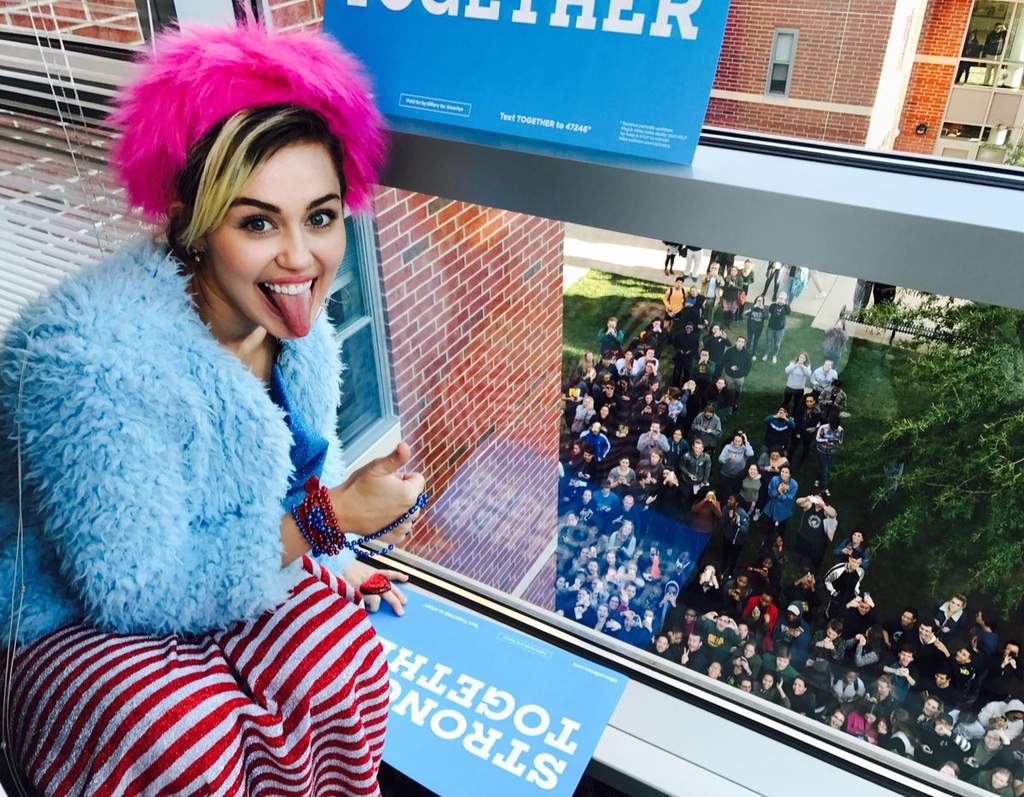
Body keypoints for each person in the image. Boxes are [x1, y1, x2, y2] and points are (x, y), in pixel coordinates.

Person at [0, 23, 428, 796]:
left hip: (218, 569)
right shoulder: (88, 358)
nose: (301, 258)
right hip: (64, 609)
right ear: (192, 225)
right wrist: (333, 518)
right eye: (257, 221)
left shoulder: (298, 329)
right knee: (184, 741)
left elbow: (300, 477)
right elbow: (130, 589)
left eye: (321, 216)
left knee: (345, 661)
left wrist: (337, 554)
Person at [794, 490, 838, 571]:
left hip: (817, 541)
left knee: (814, 560)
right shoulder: (809, 504)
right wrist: (807, 498)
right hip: (804, 536)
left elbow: (833, 514)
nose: (817, 500)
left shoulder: (826, 509)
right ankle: (798, 567)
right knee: (800, 555)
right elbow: (798, 502)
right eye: (816, 497)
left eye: (819, 498)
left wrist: (823, 505)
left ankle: (811, 571)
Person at [719, 494, 751, 577]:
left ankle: (731, 573)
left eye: (731, 500)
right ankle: (722, 571)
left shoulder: (742, 514)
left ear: (736, 503)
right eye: (729, 499)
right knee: (725, 555)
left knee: (734, 558)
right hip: (727, 537)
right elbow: (722, 521)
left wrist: (734, 521)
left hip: (738, 541)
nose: (728, 501)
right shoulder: (725, 509)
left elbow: (745, 530)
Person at [763, 465, 799, 538]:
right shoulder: (774, 479)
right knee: (770, 525)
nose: (784, 474)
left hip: (785, 508)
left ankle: (779, 538)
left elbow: (788, 498)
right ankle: (768, 537)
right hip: (773, 506)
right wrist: (778, 491)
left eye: (786, 472)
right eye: (782, 471)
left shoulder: (794, 484)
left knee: (782, 526)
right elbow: (770, 493)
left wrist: (780, 493)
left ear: (789, 475)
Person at [719, 336, 752, 407]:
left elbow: (748, 366)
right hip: (729, 375)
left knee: (738, 390)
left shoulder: (746, 354)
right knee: (728, 389)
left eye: (742, 342)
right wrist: (730, 367)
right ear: (736, 342)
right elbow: (724, 361)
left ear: (744, 344)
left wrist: (744, 374)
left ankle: (735, 402)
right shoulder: (729, 351)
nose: (740, 343)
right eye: (739, 341)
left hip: (740, 377)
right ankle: (727, 402)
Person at [814, 414, 844, 488]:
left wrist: (836, 442)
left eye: (835, 428)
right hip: (822, 450)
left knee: (823, 467)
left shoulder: (840, 430)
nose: (834, 429)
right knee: (825, 469)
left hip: (831, 451)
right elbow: (817, 439)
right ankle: (823, 486)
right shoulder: (823, 428)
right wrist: (826, 440)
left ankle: (817, 479)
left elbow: (841, 441)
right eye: (833, 427)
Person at [764, 292, 790, 364]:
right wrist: (776, 303)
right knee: (768, 341)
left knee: (777, 344)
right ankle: (766, 354)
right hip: (771, 327)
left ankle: (774, 355)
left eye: (783, 298)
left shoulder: (786, 307)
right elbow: (770, 311)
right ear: (778, 298)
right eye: (780, 298)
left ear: (785, 300)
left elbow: (788, 312)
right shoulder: (773, 305)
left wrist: (785, 304)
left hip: (780, 329)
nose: (781, 300)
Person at [745, 296, 768, 361]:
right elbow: (745, 313)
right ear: (756, 301)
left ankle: (754, 354)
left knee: (756, 341)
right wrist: (753, 307)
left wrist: (762, 310)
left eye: (761, 301)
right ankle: (746, 352)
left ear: (763, 302)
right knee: (749, 340)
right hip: (750, 327)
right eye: (758, 300)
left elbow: (766, 317)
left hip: (759, 328)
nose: (759, 302)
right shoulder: (752, 307)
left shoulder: (764, 309)